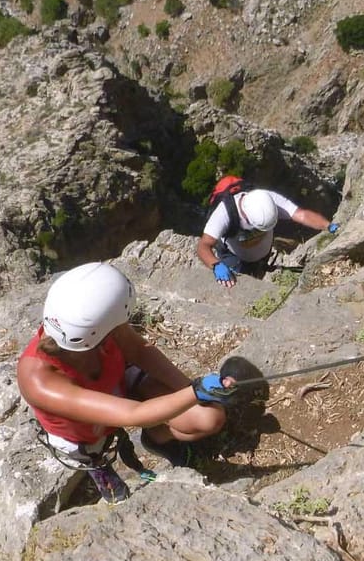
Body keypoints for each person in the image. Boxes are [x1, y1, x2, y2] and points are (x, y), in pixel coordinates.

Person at [17, 261, 235, 502]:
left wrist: (189, 388)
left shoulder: (92, 327)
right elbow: (133, 414)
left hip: (119, 380)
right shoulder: (40, 382)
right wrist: (194, 392)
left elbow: (139, 351)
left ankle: (157, 439)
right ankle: (101, 470)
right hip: (83, 432)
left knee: (208, 417)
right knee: (104, 474)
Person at [197, 185, 338, 288]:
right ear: (247, 217)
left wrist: (328, 225)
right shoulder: (224, 214)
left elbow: (302, 215)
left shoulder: (269, 199)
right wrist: (216, 265)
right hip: (236, 259)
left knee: (257, 276)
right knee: (238, 287)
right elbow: (203, 246)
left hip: (262, 256)